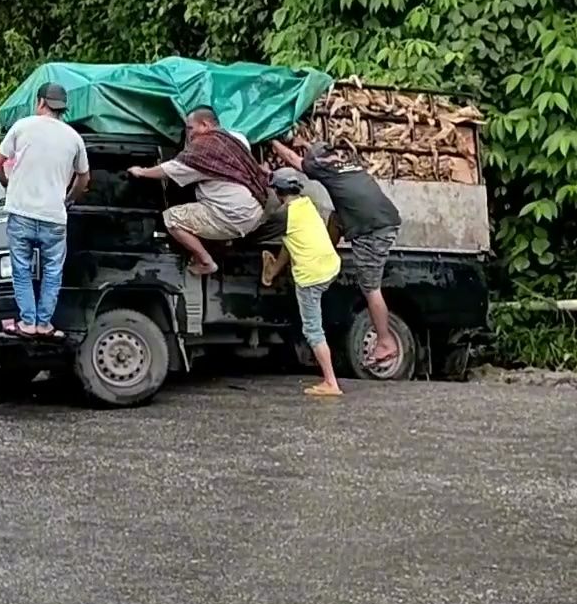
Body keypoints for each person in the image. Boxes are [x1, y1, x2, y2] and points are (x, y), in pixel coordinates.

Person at [272, 137, 404, 368]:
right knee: (336, 217)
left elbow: (293, 159)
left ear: (319, 160)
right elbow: (311, 153)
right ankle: (326, 253)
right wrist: (303, 142)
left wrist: (272, 140)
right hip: (384, 218)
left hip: (372, 229)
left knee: (371, 288)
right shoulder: (347, 164)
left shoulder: (324, 170)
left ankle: (385, 341)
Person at [0, 82, 90, 338]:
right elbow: (84, 179)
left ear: (40, 103)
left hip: (21, 213)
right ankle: (44, 324)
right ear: (62, 109)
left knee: (22, 268)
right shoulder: (74, 138)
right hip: (54, 217)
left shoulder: (22, 127)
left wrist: (9, 184)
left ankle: (27, 322)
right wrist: (68, 199)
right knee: (52, 271)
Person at [126, 107, 269, 275]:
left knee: (172, 219)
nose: (189, 134)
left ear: (205, 124)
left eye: (190, 128)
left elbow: (168, 171)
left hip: (232, 215)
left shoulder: (202, 153)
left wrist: (141, 171)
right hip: (256, 209)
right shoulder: (236, 139)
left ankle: (206, 262)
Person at [269, 167, 343, 397]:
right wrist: (274, 270)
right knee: (316, 324)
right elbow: (289, 243)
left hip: (311, 275)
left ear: (278, 193)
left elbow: (253, 233)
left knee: (312, 329)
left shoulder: (283, 215)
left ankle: (331, 383)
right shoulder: (306, 205)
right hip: (329, 265)